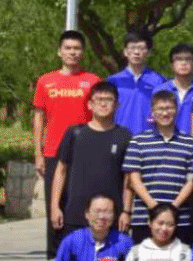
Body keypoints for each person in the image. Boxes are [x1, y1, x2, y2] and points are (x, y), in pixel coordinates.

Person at [33, 30, 101, 261]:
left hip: (84, 153)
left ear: (83, 52)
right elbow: (39, 119)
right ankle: (53, 258)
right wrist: (38, 153)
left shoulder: (93, 81)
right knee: (55, 205)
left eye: (77, 48)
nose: (73, 52)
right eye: (68, 48)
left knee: (82, 205)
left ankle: (83, 256)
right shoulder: (45, 81)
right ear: (59, 52)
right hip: (53, 152)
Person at [50, 82, 132, 240]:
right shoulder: (75, 133)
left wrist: (126, 211)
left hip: (111, 217)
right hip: (76, 215)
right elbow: (61, 171)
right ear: (90, 104)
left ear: (117, 105)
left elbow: (129, 178)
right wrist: (55, 206)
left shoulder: (124, 136)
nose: (103, 104)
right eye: (99, 99)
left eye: (108, 99)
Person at [123, 90, 193, 245]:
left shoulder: (191, 143)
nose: (165, 113)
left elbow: (192, 180)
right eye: (160, 109)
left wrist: (173, 208)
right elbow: (134, 180)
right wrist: (155, 208)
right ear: (153, 111)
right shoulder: (138, 141)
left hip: (180, 219)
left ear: (176, 110)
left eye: (169, 108)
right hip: (144, 218)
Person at [107, 30, 165, 135]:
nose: (136, 52)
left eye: (141, 48)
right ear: (125, 52)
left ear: (148, 52)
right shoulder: (113, 81)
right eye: (132, 48)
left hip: (149, 137)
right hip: (119, 136)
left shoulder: (159, 81)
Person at [151, 43, 193, 135]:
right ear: (172, 65)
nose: (184, 63)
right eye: (178, 59)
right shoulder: (160, 90)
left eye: (188, 59)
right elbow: (153, 121)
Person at [125, 203, 192, 261]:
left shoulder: (184, 253)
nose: (164, 229)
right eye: (160, 223)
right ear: (149, 222)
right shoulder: (136, 253)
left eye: (170, 225)